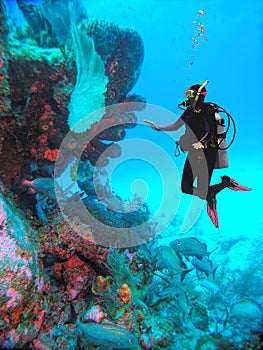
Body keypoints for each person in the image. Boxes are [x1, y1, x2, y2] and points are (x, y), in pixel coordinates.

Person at [145, 80, 251, 227]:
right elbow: (176, 125)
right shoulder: (189, 111)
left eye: (190, 95)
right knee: (186, 188)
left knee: (202, 188)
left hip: (208, 152)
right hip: (194, 151)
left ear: (197, 96)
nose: (187, 98)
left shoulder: (207, 110)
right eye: (187, 94)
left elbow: (210, 130)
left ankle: (221, 187)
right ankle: (223, 185)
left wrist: (202, 142)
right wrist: (159, 128)